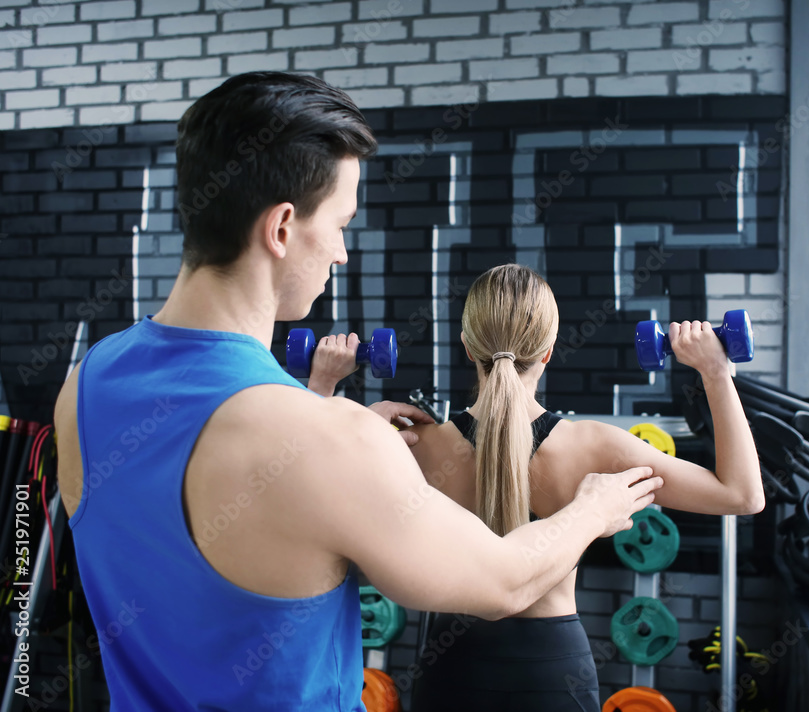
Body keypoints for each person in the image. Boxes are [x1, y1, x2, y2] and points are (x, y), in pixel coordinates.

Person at [52, 72, 662, 712]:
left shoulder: (85, 387)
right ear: (281, 228)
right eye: (341, 223)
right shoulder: (330, 438)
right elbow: (505, 581)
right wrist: (592, 510)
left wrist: (339, 445)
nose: (342, 252)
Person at [406, 264, 765, 712]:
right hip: (552, 672)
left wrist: (326, 391)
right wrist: (715, 373)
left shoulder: (415, 447)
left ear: (466, 346)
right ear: (548, 352)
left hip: (451, 669)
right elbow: (743, 495)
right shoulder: (594, 446)